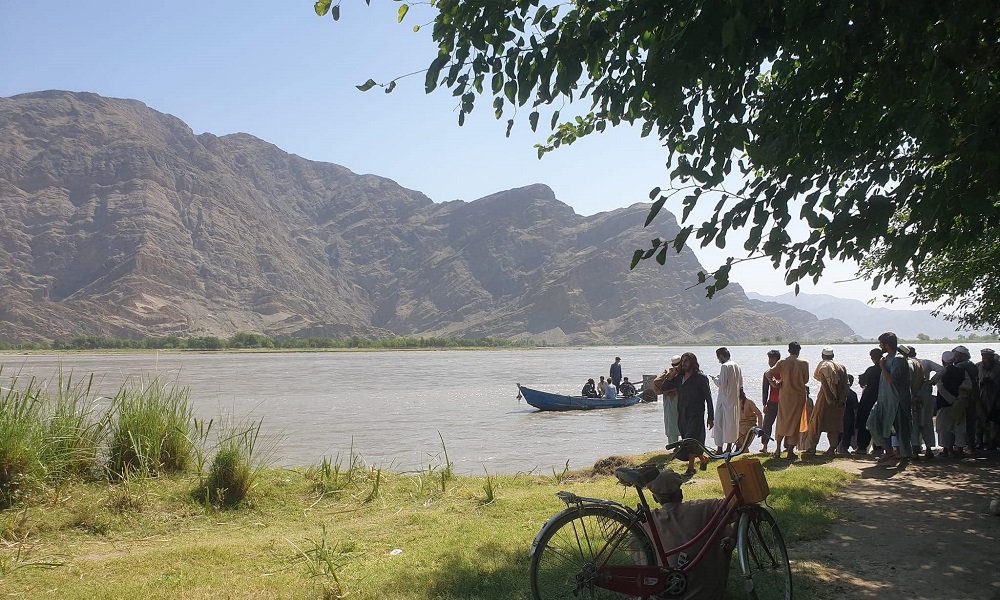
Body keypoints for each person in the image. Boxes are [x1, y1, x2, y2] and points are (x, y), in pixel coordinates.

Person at [644, 470, 733, 600]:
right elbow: (736, 506)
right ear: (681, 493)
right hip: (706, 594)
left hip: (663, 592)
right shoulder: (706, 508)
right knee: (726, 535)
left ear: (654, 498)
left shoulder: (645, 521)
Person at [662, 352, 714, 476]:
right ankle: (703, 459)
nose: (684, 363)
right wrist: (672, 374)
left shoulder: (701, 378)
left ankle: (690, 468)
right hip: (682, 414)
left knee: (690, 440)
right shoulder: (679, 378)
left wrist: (711, 417)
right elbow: (664, 387)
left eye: (686, 361)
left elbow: (708, 398)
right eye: (682, 361)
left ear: (693, 362)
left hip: (696, 413)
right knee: (689, 439)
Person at [867, 332, 913, 464]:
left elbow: (893, 380)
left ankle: (904, 456)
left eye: (881, 343)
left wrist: (882, 367)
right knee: (873, 423)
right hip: (884, 399)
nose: (879, 346)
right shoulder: (886, 358)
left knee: (901, 429)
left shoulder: (899, 359)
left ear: (886, 345)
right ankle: (888, 451)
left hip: (897, 400)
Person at [765, 341, 810, 460]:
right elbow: (805, 380)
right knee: (795, 423)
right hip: (798, 397)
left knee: (782, 421)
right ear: (799, 350)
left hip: (785, 396)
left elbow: (768, 373)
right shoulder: (804, 363)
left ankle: (778, 449)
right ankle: (790, 451)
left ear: (789, 350)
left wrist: (776, 383)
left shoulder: (783, 362)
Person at [806, 347, 848, 456]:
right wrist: (842, 400)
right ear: (832, 356)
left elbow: (825, 385)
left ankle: (811, 447)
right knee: (834, 425)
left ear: (822, 356)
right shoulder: (841, 367)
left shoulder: (824, 367)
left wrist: (831, 400)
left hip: (825, 399)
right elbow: (846, 385)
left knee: (816, 423)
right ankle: (832, 448)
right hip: (839, 401)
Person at [934, 350, 971, 457]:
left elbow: (940, 387)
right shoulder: (962, 372)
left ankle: (946, 449)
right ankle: (960, 449)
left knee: (943, 428)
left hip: (944, 404)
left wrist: (950, 399)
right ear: (954, 360)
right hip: (959, 403)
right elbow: (968, 385)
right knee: (959, 427)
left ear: (942, 361)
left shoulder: (941, 373)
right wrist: (958, 398)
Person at [909, 346, 941, 459]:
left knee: (913, 423)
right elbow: (942, 369)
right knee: (926, 422)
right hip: (926, 395)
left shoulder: (907, 363)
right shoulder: (926, 362)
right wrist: (932, 381)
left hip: (912, 396)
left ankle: (915, 450)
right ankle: (928, 449)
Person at [710, 347, 743, 454]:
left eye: (718, 358)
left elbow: (722, 383)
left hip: (724, 400)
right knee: (731, 425)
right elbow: (740, 384)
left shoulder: (725, 366)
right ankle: (728, 448)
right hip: (733, 400)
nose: (718, 360)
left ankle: (719, 449)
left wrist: (715, 379)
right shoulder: (737, 366)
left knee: (719, 424)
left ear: (721, 356)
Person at [856, 348, 884, 455]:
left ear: (872, 358)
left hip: (869, 398)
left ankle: (862, 447)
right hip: (882, 397)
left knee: (865, 421)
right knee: (880, 422)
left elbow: (863, 381)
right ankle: (879, 447)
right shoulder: (886, 369)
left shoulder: (871, 370)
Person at [978, 348, 1000, 451]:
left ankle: (993, 441)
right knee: (980, 419)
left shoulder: (998, 367)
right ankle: (981, 441)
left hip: (996, 397)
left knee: (994, 421)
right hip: (981, 397)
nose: (985, 358)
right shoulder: (978, 366)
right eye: (983, 356)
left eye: (987, 356)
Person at [658, 355, 683, 445]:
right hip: (671, 403)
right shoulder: (668, 375)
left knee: (678, 426)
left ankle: (682, 446)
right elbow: (663, 388)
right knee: (672, 426)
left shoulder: (685, 375)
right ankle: (674, 447)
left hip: (679, 403)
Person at [760, 349, 781, 455]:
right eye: (769, 359)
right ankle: (765, 446)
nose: (770, 361)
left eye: (773, 359)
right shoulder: (767, 373)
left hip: (783, 402)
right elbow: (765, 389)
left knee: (782, 425)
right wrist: (764, 404)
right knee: (767, 424)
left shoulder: (783, 372)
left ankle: (780, 447)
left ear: (778, 360)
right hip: (772, 402)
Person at [837, 374, 860, 454]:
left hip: (840, 415)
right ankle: (844, 448)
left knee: (838, 432)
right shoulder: (852, 394)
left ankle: (835, 447)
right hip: (849, 415)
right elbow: (855, 407)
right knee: (847, 432)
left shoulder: (838, 392)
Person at [737, 388, 763, 452]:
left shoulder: (736, 403)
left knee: (743, 446)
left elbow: (759, 414)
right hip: (745, 427)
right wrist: (760, 427)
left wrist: (759, 428)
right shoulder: (749, 402)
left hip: (747, 427)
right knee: (743, 446)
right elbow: (759, 414)